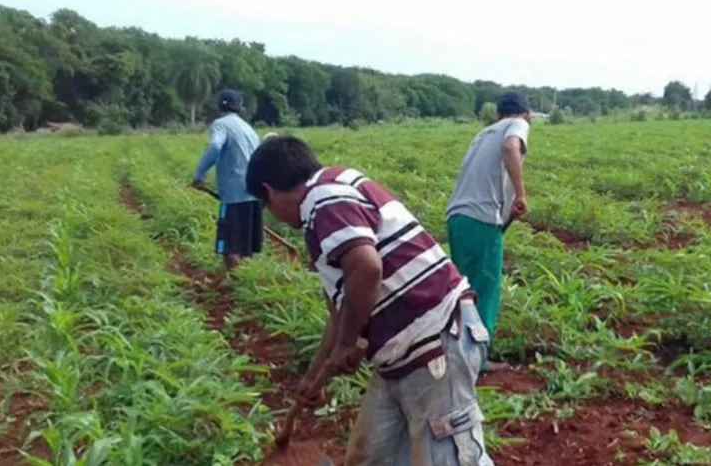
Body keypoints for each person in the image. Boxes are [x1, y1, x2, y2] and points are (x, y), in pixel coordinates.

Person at [246, 135, 494, 466]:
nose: (273, 215)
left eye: (266, 207)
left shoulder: (323, 198)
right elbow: (340, 311)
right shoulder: (328, 199)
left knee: (448, 459)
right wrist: (316, 374)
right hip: (399, 359)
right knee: (370, 457)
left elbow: (366, 268)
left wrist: (348, 343)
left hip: (435, 342)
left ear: (269, 191)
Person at [444, 91, 532, 373]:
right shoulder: (516, 125)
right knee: (484, 290)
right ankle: (476, 360)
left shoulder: (483, 134)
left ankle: (456, 352)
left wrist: (508, 218)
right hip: (478, 219)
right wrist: (521, 194)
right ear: (526, 114)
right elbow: (510, 148)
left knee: (464, 288)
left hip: (458, 218)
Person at [191, 89, 263, 270]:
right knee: (244, 245)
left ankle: (235, 289)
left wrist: (199, 175)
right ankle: (245, 284)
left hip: (234, 194)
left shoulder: (220, 124)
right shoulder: (248, 128)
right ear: (240, 107)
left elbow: (215, 145)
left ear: (218, 106)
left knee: (229, 245)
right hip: (254, 192)